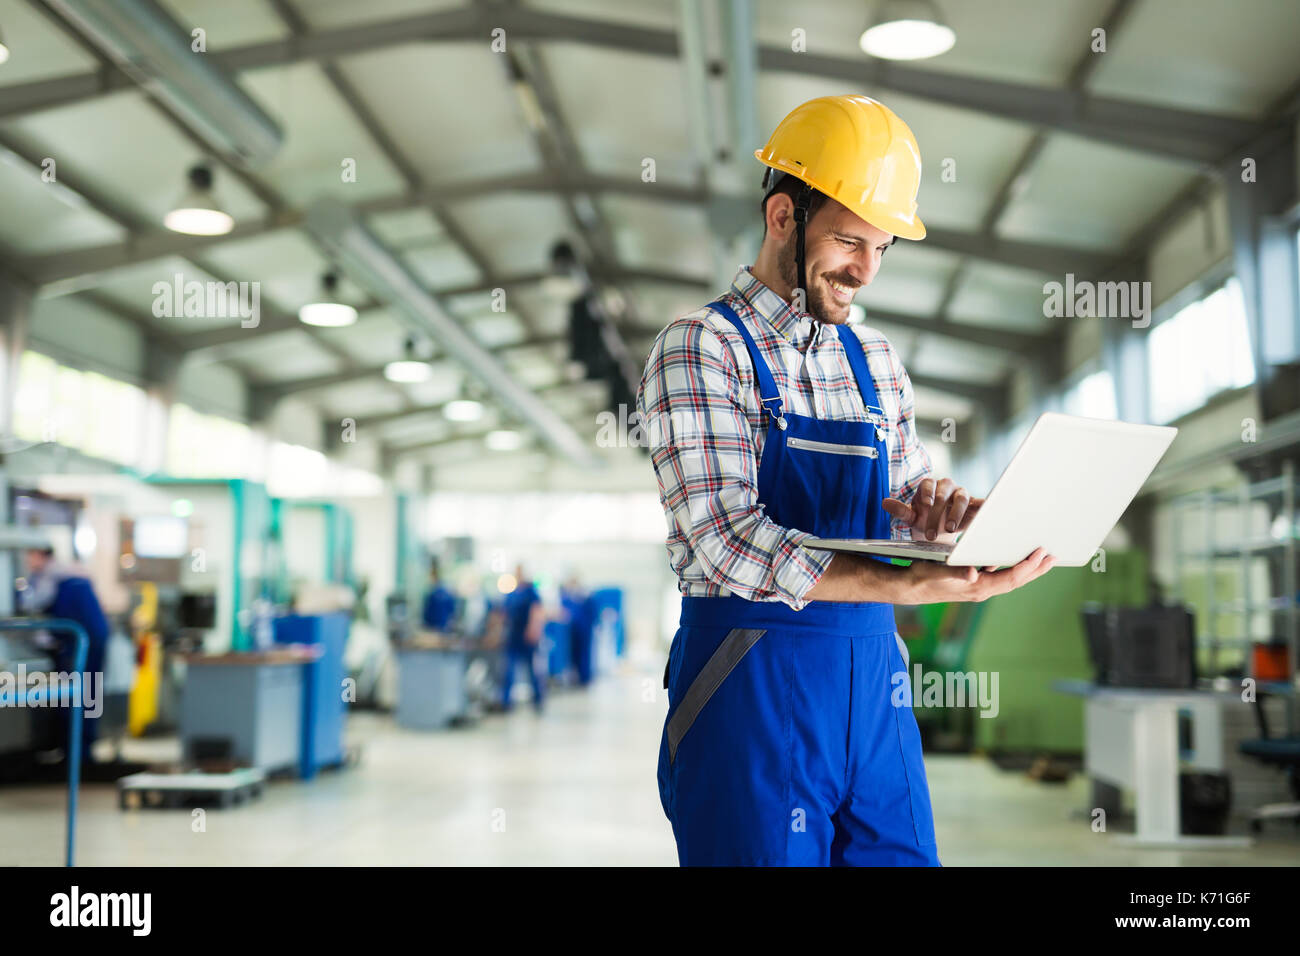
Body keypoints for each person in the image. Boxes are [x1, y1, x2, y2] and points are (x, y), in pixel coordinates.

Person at [638, 95, 1056, 867]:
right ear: (782, 218)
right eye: (848, 241)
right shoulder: (700, 346)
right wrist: (909, 589)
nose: (865, 270)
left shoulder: (875, 362)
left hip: (875, 693)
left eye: (883, 248)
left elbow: (901, 504)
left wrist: (936, 523)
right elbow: (727, 542)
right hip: (746, 686)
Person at [19, 544, 110, 764]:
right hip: (89, 640)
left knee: (73, 696)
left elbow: (34, 605)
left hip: (77, 643)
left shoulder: (54, 578)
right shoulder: (70, 574)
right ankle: (82, 751)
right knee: (87, 695)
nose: (28, 562)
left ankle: (75, 753)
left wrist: (44, 638)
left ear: (40, 555)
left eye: (30, 556)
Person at [499, 566, 545, 713]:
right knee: (509, 670)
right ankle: (506, 702)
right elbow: (504, 614)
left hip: (527, 637)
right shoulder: (511, 594)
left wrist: (533, 630)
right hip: (513, 637)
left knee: (532, 669)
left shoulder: (531, 593)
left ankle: (538, 699)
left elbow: (537, 611)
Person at [560, 575, 594, 686]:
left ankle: (585, 678)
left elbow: (592, 614)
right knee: (573, 655)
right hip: (571, 632)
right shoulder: (567, 598)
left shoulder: (585, 597)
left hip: (584, 631)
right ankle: (575, 677)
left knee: (584, 655)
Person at [421, 562, 457, 632]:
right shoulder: (447, 592)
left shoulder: (432, 593)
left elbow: (427, 612)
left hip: (434, 626)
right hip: (443, 626)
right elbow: (452, 611)